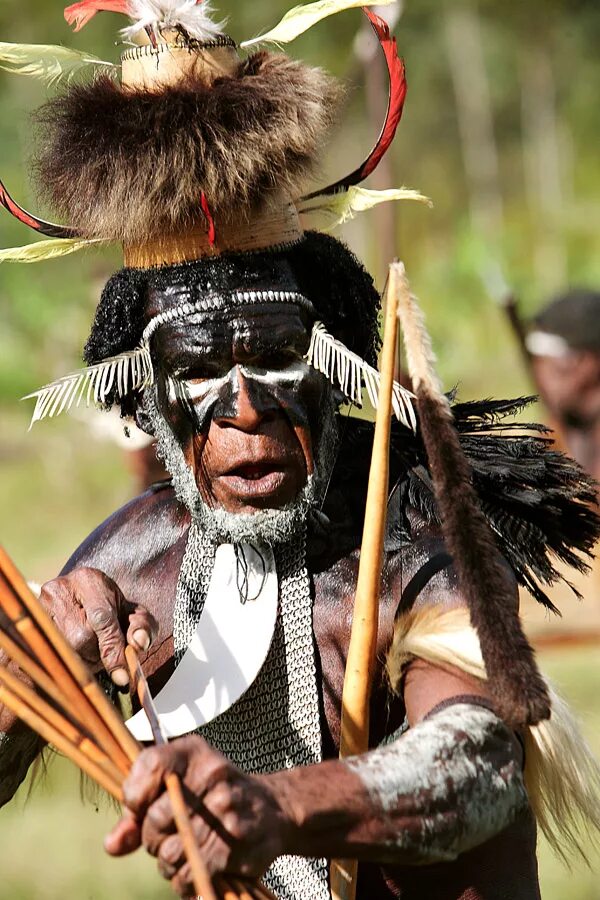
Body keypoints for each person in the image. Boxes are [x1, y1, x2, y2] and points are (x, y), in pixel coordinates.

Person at [0, 2, 599, 897]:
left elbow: (477, 763)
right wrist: (31, 681)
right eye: (199, 369)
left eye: (277, 354)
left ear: (331, 364)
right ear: (148, 394)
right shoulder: (133, 564)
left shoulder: (417, 527)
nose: (245, 408)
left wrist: (276, 805)